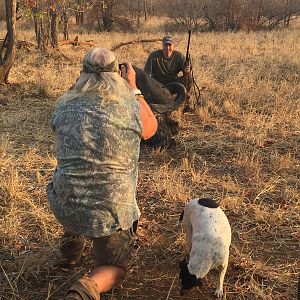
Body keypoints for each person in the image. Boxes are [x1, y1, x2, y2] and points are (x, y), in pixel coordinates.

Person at [46, 47, 158, 300]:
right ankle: (86, 290)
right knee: (116, 269)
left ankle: (69, 256)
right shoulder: (129, 105)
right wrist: (134, 88)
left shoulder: (64, 104)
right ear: (116, 74)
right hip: (110, 210)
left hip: (65, 203)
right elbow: (151, 129)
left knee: (75, 181)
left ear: (83, 72)